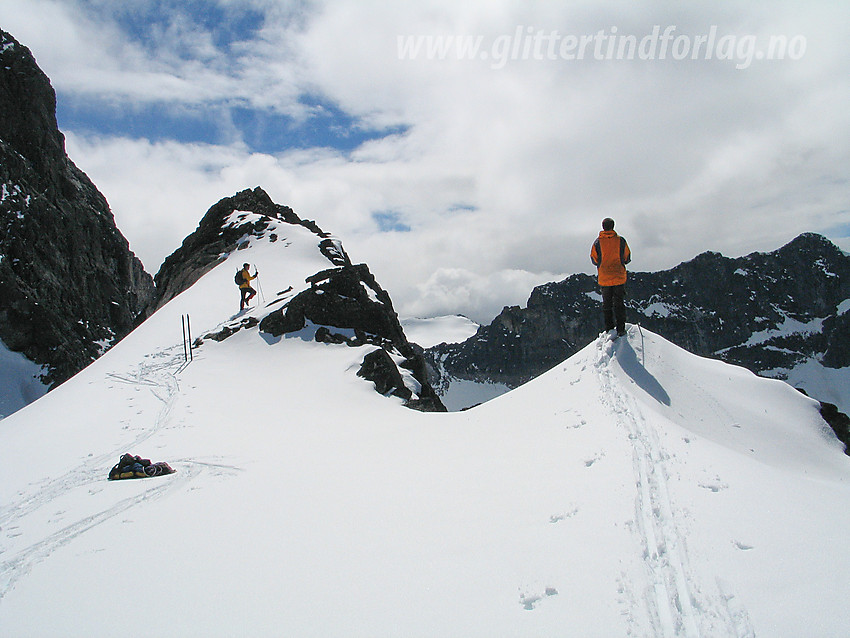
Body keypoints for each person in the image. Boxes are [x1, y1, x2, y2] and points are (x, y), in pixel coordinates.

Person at [590, 218, 631, 337]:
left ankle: (609, 329)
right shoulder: (621, 241)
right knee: (619, 303)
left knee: (607, 304)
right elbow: (627, 257)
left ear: (603, 227)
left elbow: (594, 259)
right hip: (618, 276)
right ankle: (621, 329)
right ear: (613, 226)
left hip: (604, 277)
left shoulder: (597, 242)